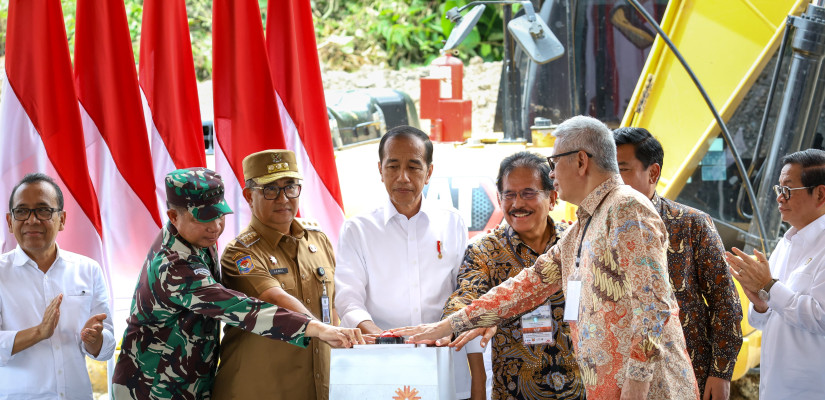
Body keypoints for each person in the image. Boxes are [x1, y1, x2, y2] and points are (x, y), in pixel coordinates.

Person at [394, 116, 698, 399]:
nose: (551, 174)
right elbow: (527, 286)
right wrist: (448, 325)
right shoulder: (583, 226)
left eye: (553, 163)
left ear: (581, 161)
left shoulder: (626, 208)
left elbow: (653, 308)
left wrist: (635, 388)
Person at [112, 168, 364, 399]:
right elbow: (239, 308)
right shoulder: (174, 266)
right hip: (151, 386)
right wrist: (317, 328)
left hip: (188, 380)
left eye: (219, 215)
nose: (215, 227)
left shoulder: (194, 237)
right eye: (203, 219)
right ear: (173, 216)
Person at [334, 125, 484, 399]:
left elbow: (466, 293)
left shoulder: (452, 221)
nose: (402, 177)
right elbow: (347, 299)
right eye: (393, 166)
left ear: (429, 172)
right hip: (380, 367)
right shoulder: (357, 229)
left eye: (414, 167)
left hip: (445, 362)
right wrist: (384, 339)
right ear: (380, 170)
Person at [442, 151, 585, 399]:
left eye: (528, 193)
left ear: (552, 198)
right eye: (509, 195)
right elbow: (465, 295)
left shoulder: (578, 243)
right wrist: (453, 324)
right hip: (514, 391)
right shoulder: (485, 250)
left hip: (580, 389)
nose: (517, 204)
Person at [614, 127, 742, 399]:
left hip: (685, 373)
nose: (612, 180)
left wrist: (720, 373)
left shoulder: (691, 224)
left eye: (622, 169)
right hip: (618, 374)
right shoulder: (596, 229)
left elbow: (725, 302)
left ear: (653, 173)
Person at [213, 150, 338, 399]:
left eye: (290, 187)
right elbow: (276, 299)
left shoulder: (318, 239)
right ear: (249, 196)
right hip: (261, 389)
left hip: (315, 386)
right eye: (270, 189)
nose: (283, 198)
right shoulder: (239, 253)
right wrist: (326, 330)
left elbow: (333, 305)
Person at [0, 173, 114, 399]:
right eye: (22, 211)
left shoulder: (88, 270)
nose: (32, 220)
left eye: (43, 210)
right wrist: (38, 332)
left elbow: (107, 348)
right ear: (10, 222)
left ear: (62, 219)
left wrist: (96, 340)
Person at [726, 148, 825, 400]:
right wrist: (760, 303)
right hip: (775, 387)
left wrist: (769, 287)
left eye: (788, 190)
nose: (780, 198)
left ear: (820, 193)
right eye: (778, 189)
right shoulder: (786, 242)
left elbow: (821, 317)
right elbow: (765, 321)